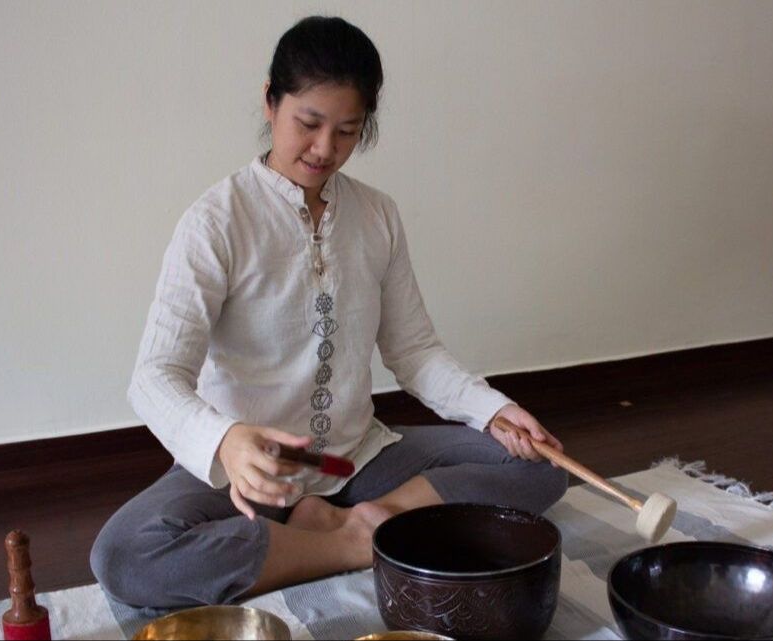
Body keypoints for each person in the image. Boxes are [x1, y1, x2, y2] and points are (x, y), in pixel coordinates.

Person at [90, 15, 567, 608]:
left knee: (541, 465)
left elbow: (414, 352)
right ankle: (352, 544)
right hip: (255, 472)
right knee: (125, 554)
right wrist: (226, 441)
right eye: (308, 124)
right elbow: (153, 376)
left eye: (347, 131)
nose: (324, 149)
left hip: (352, 461)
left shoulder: (377, 215)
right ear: (270, 102)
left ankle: (366, 517)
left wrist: (492, 411)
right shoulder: (215, 221)